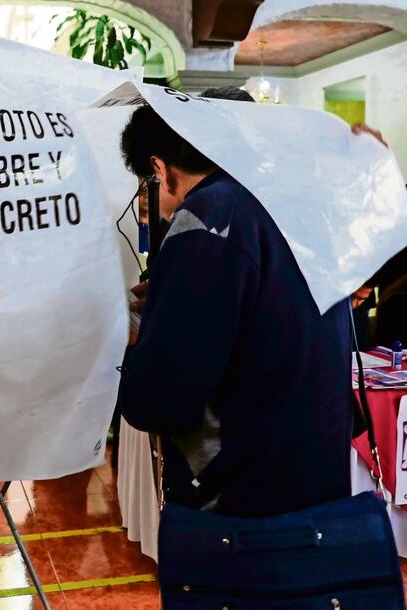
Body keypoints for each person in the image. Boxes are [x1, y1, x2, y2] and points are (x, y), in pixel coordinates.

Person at [117, 92, 354, 517]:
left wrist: (140, 338)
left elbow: (163, 398)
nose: (161, 211)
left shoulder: (206, 217)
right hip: (314, 476)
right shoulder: (291, 205)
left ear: (158, 169)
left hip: (242, 499)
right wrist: (178, 293)